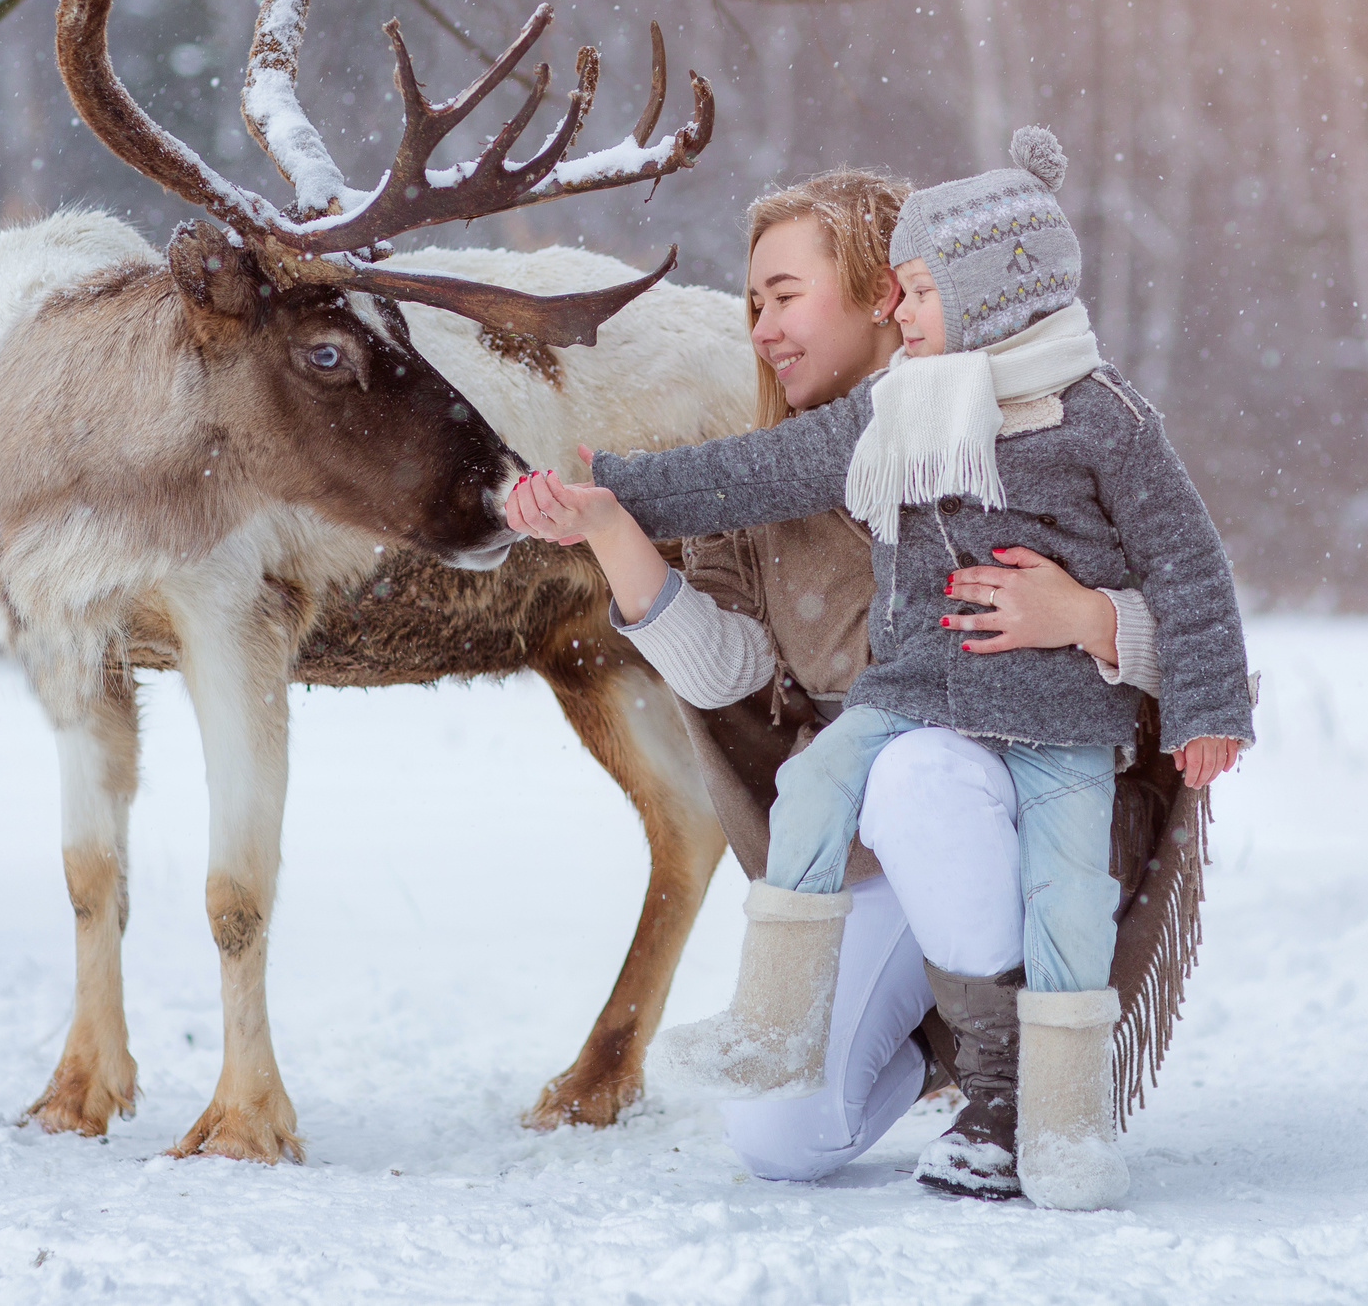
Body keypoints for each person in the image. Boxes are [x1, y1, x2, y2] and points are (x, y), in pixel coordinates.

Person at [506, 128, 1254, 1210]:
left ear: (878, 296)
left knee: (920, 776)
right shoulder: (817, 460)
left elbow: (1192, 587)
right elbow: (725, 672)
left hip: (1029, 776)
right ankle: (891, 1039)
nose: (759, 330)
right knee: (780, 1140)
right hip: (880, 837)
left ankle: (1013, 1091)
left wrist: (1085, 614)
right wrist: (610, 518)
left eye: (783, 296)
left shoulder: (1083, 416)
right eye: (750, 304)